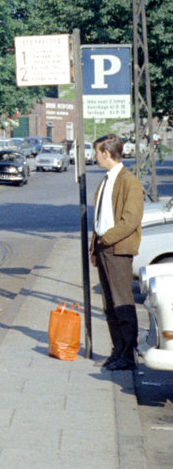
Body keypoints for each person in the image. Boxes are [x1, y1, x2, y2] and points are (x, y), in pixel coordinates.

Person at [91, 133, 143, 370]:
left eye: (97, 152)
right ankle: (118, 350)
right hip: (104, 248)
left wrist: (107, 239)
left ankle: (128, 356)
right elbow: (100, 218)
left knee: (122, 304)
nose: (95, 156)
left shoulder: (129, 182)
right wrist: (95, 247)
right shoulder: (106, 180)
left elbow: (131, 220)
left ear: (106, 153)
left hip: (118, 249)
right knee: (109, 305)